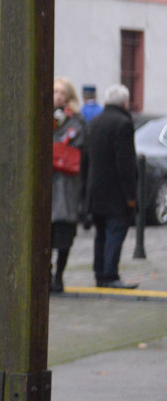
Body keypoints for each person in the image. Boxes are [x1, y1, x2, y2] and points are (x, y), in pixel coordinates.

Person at [83, 84, 138, 289]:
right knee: (115, 232)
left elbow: (85, 160)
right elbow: (126, 162)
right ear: (125, 103)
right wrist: (131, 195)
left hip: (95, 190)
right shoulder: (123, 124)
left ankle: (99, 274)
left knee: (101, 234)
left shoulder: (94, 123)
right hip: (116, 192)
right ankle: (110, 274)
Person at [51, 77, 86, 293]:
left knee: (64, 235)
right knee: (44, 235)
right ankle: (45, 274)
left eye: (61, 92)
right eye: (55, 92)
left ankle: (59, 276)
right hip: (48, 185)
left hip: (67, 185)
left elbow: (79, 145)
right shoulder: (44, 116)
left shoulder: (76, 121)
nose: (57, 96)